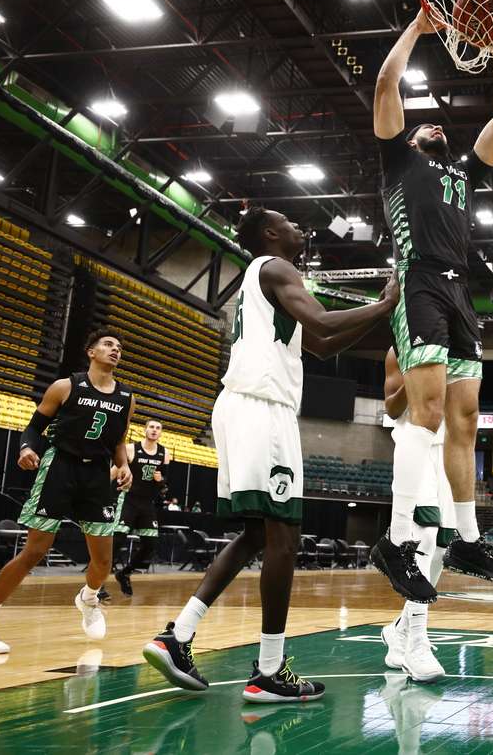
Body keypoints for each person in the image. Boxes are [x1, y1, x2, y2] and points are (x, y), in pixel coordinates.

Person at [142, 207, 398, 703]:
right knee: (284, 539)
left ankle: (178, 635)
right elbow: (323, 320)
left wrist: (376, 315)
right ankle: (269, 670)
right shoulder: (278, 268)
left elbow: (321, 342)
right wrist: (383, 306)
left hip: (240, 407)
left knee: (258, 534)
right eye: (292, 223)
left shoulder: (265, 282)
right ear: (268, 233)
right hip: (263, 410)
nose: (303, 228)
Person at [370, 8, 493, 600]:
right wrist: (417, 27)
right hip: (422, 283)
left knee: (465, 421)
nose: (433, 125)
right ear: (408, 137)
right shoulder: (397, 162)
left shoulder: (463, 172)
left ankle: (467, 538)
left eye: (439, 125)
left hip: (461, 293)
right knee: (426, 414)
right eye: (422, 123)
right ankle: (398, 540)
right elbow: (386, 84)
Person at [0, 329, 134, 654]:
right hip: (60, 467)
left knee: (103, 560)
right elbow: (33, 428)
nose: (115, 350)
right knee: (34, 551)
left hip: (97, 474)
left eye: (119, 348)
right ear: (91, 352)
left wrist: (124, 466)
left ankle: (89, 598)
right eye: (108, 345)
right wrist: (26, 448)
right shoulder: (66, 387)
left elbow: (119, 441)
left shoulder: (127, 398)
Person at [379, 347, 458, 682]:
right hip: (416, 443)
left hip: (448, 450)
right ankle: (416, 643)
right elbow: (391, 406)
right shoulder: (399, 350)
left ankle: (399, 628)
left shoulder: (461, 347)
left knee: (444, 546)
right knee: (423, 534)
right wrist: (415, 378)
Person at [113, 420, 169, 596]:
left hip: (147, 503)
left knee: (150, 545)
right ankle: (96, 586)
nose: (154, 430)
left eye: (158, 428)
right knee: (117, 541)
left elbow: (164, 485)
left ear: (161, 433)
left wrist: (161, 480)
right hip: (129, 499)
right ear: (145, 430)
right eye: (151, 427)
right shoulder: (131, 449)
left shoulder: (164, 453)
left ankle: (125, 573)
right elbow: (115, 469)